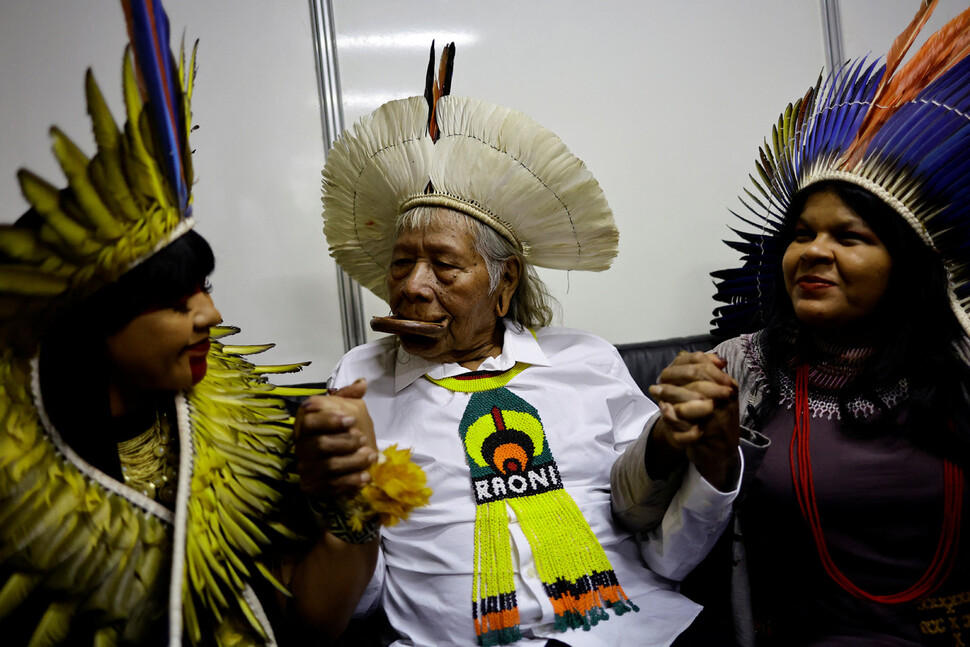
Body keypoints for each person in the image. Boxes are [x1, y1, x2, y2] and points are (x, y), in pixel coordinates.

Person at [295, 43, 739, 647]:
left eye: (444, 266)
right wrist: (346, 504)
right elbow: (362, 600)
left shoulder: (585, 361)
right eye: (401, 264)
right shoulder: (357, 386)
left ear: (504, 283)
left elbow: (664, 546)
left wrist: (697, 453)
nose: (413, 288)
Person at [0, 2, 382, 644]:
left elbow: (313, 623)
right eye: (178, 301)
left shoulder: (243, 420)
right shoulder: (17, 474)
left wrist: (351, 496)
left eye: (203, 289)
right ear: (93, 322)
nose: (211, 314)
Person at [611, 3, 970, 645]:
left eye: (849, 237)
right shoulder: (741, 366)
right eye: (801, 235)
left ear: (908, 265)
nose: (813, 252)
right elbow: (635, 518)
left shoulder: (961, 361)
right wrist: (682, 443)